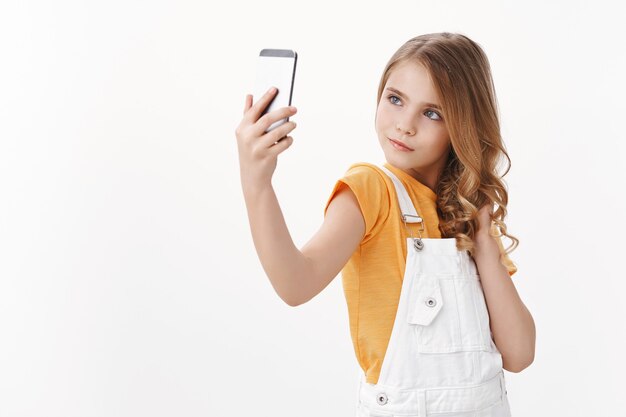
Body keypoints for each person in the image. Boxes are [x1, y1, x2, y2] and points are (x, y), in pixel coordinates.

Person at [235, 32, 536, 417]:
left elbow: (520, 353)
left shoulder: (466, 212)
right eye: (395, 100)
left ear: (464, 126)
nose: (404, 125)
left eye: (432, 113)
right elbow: (295, 284)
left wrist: (485, 244)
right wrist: (256, 183)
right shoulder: (371, 188)